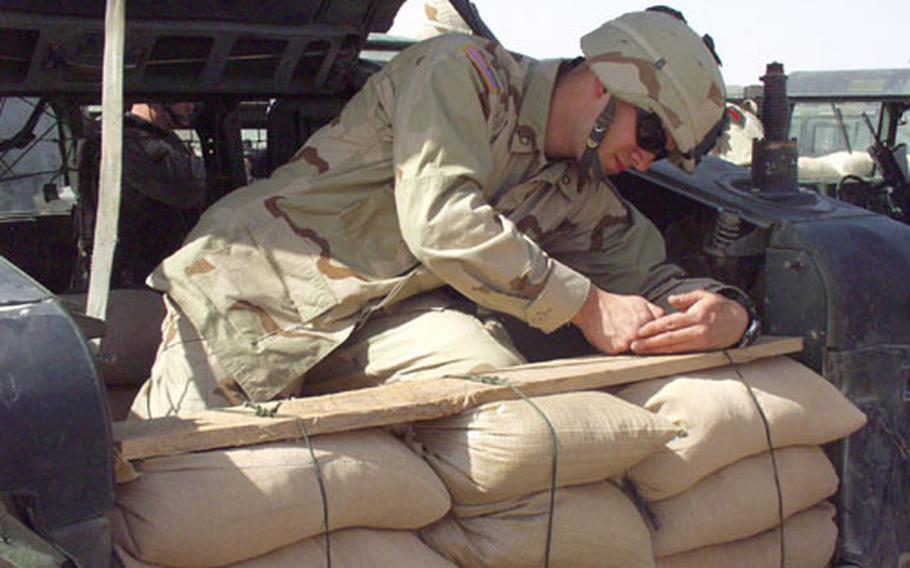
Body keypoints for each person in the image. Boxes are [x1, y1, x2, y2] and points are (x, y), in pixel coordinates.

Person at [131, 9, 756, 418]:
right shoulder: (463, 71)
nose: (648, 160)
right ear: (607, 80)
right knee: (163, 483)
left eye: (664, 153)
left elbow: (649, 275)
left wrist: (726, 312)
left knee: (500, 395)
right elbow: (442, 222)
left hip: (373, 320)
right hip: (250, 299)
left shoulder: (580, 190)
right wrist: (589, 306)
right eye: (650, 133)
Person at [76, 102, 206, 290]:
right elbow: (184, 184)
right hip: (131, 276)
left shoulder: (161, 140)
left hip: (160, 267)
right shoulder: (124, 141)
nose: (192, 105)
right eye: (182, 98)